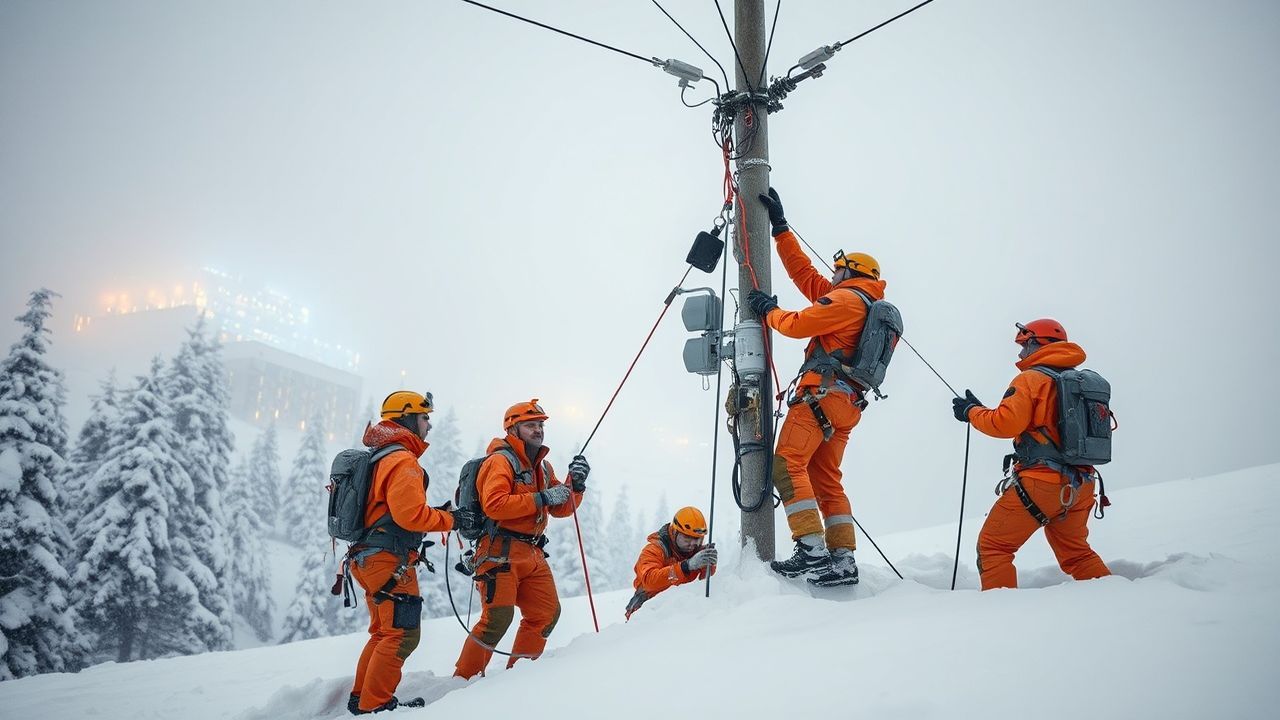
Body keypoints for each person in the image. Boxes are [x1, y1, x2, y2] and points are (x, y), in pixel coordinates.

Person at [744, 187, 886, 587]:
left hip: (821, 398)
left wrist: (767, 311)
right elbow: (806, 276)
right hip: (846, 404)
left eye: (838, 268)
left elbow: (797, 325)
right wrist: (781, 229)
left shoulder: (846, 302)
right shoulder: (857, 301)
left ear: (850, 271)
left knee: (787, 464)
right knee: (826, 479)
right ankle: (842, 561)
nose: (832, 273)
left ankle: (810, 549)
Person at [953, 319, 1112, 590]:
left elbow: (1004, 423)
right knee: (1078, 555)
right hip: (1083, 485)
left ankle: (1000, 614)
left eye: (1023, 344)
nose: (1019, 353)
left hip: (1041, 483)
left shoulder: (1031, 379)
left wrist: (971, 412)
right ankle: (1118, 598)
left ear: (1036, 343)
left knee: (994, 547)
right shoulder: (1080, 383)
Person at [348, 391, 468, 715]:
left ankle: (362, 698)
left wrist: (437, 515)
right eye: (425, 417)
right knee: (402, 634)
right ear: (407, 417)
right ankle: (375, 705)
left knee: (383, 632)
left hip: (367, 557)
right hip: (387, 560)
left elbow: (394, 510)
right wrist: (451, 520)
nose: (429, 424)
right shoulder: (402, 460)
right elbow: (409, 516)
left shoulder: (380, 456)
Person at [453, 398, 588, 679]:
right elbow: (495, 505)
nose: (538, 430)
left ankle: (519, 678)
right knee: (496, 620)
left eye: (540, 425)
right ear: (512, 429)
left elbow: (561, 508)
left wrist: (575, 485)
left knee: (546, 613)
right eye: (530, 425)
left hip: (532, 555)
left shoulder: (543, 467)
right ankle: (462, 682)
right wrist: (541, 497)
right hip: (499, 552)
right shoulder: (500, 461)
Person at [624, 506, 718, 619]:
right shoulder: (654, 550)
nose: (693, 543)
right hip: (646, 614)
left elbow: (702, 587)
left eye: (698, 538)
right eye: (687, 538)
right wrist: (685, 567)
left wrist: (709, 565)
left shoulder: (696, 554)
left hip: (679, 614)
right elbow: (649, 581)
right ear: (674, 532)